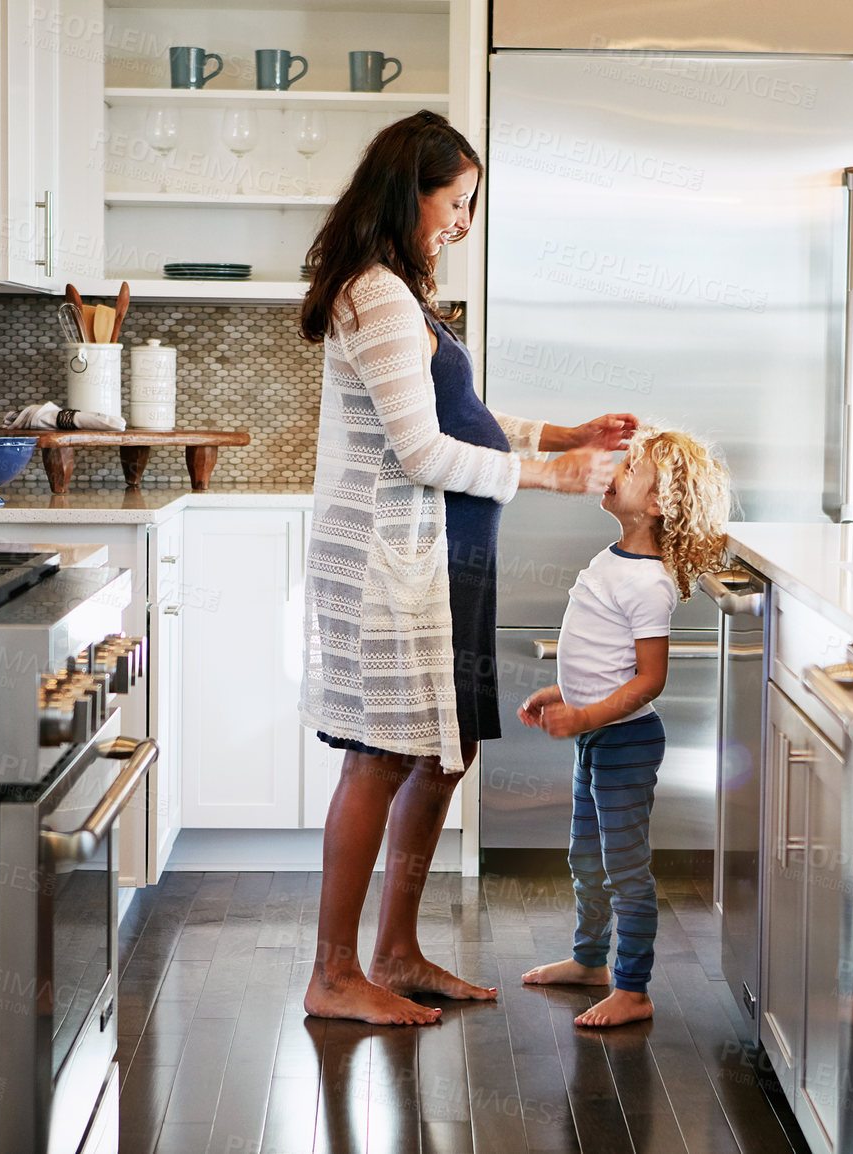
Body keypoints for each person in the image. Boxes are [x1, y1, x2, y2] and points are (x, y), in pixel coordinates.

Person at [298, 110, 638, 1026]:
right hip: (391, 565)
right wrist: (553, 473)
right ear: (411, 189)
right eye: (458, 200)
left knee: (447, 754)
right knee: (382, 756)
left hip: (445, 563)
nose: (463, 220)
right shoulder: (373, 294)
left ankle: (396, 951)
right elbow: (420, 454)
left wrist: (557, 434)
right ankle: (334, 972)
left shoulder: (400, 291)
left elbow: (462, 418)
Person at [517, 428, 731, 1027]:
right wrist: (564, 693)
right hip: (597, 737)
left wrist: (585, 714)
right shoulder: (612, 560)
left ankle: (633, 987)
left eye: (631, 465)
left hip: (625, 742)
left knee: (624, 867)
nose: (615, 465)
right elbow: (603, 659)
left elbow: (647, 679)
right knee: (586, 858)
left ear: (659, 504)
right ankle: (590, 962)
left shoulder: (649, 583)